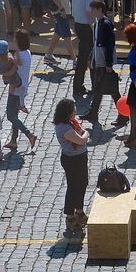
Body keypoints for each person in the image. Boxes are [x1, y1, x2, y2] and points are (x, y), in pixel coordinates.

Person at [53, 98, 89, 237]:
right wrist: (86, 133)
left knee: (83, 183)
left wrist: (83, 133)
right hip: (72, 160)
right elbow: (81, 139)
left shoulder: (70, 123)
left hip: (79, 157)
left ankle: (79, 211)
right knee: (73, 187)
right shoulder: (64, 127)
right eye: (73, 110)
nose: (75, 112)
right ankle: (70, 216)